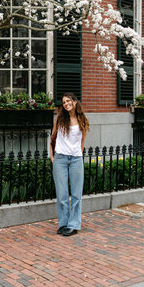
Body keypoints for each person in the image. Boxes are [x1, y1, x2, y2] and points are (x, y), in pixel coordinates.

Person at [50, 92, 89, 236]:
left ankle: (73, 225)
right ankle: (64, 223)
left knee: (77, 195)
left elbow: (82, 141)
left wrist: (79, 155)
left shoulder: (83, 119)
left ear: (74, 101)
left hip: (76, 159)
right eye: (63, 102)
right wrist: (52, 157)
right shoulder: (60, 118)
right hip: (60, 158)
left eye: (68, 101)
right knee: (62, 195)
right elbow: (53, 137)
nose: (66, 104)